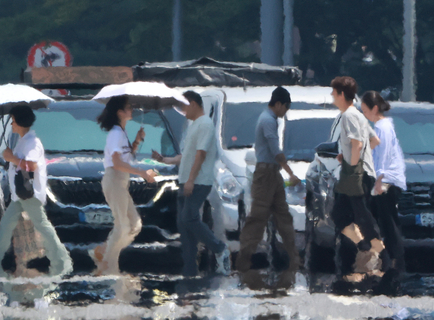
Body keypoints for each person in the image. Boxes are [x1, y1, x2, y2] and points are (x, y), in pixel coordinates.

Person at [0, 106, 72, 278]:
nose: (12, 124)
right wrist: (10, 158)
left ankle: (62, 262)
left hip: (30, 194)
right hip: (20, 195)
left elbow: (31, 165)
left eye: (13, 121)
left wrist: (11, 158)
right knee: (6, 228)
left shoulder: (33, 143)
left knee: (43, 226)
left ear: (20, 122)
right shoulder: (23, 141)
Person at [152, 90, 230, 277]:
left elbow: (200, 154)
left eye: (184, 106)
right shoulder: (193, 125)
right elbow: (185, 156)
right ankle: (189, 267)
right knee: (183, 223)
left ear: (194, 103)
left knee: (189, 217)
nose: (183, 111)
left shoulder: (205, 124)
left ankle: (219, 248)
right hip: (186, 180)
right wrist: (164, 160)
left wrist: (191, 180)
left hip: (198, 182)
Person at [236, 87, 301, 272]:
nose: (285, 112)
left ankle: (294, 259)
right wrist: (291, 174)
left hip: (272, 174)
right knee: (257, 218)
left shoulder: (270, 119)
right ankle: (243, 261)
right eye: (285, 108)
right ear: (278, 104)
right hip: (265, 175)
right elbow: (276, 152)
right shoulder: (267, 121)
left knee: (284, 217)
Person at [92, 95, 158, 276]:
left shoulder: (121, 132)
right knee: (122, 226)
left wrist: (136, 141)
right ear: (120, 112)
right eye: (129, 107)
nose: (132, 110)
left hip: (121, 181)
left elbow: (125, 158)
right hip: (114, 179)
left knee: (135, 225)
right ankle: (108, 267)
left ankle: (104, 252)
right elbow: (116, 163)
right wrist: (142, 173)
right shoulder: (115, 133)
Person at [330, 77, 384, 281]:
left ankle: (375, 252)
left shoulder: (348, 116)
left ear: (342, 94)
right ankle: (368, 250)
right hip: (361, 170)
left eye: (334, 93)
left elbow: (358, 144)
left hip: (355, 173)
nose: (332, 97)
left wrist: (352, 164)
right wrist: (348, 155)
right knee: (347, 214)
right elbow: (374, 140)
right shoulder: (359, 116)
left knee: (356, 215)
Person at [362, 91, 406, 280]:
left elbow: (384, 156)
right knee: (385, 221)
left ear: (375, 108)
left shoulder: (383, 128)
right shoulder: (381, 127)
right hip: (384, 179)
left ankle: (395, 263)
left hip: (386, 180)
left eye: (365, 110)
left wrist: (379, 181)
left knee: (388, 222)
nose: (364, 115)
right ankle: (388, 261)